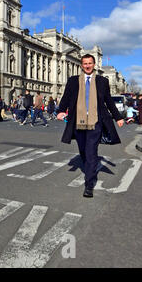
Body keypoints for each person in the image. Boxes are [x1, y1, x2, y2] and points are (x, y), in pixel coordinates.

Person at [57, 54, 124, 198]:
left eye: (90, 63)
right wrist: (61, 110)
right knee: (83, 151)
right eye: (85, 63)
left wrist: (118, 117)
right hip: (78, 122)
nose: (87, 65)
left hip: (96, 121)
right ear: (82, 65)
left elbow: (108, 101)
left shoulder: (102, 81)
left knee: (91, 152)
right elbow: (66, 97)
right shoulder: (73, 81)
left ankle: (89, 185)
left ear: (94, 65)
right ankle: (88, 165)